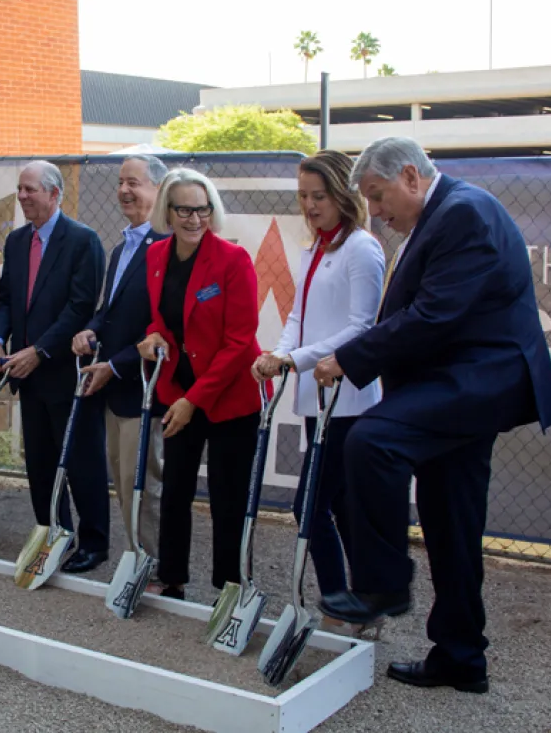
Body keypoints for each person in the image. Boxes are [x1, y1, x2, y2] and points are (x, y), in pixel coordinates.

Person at [313, 137, 551, 693]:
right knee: (451, 521)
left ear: (410, 175)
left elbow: (435, 316)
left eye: (379, 198)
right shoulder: (448, 213)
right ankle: (461, 657)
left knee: (372, 440)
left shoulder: (464, 213)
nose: (376, 212)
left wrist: (351, 357)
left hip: (477, 380)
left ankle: (382, 585)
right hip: (459, 386)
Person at [253, 150, 385, 632]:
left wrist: (295, 359)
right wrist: (280, 353)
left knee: (308, 504)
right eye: (303, 196)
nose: (309, 205)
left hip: (349, 400)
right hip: (317, 398)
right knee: (342, 504)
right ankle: (365, 599)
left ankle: (336, 602)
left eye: (320, 196)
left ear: (343, 194)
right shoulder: (316, 248)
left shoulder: (360, 248)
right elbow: (297, 317)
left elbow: (360, 328)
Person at [136, 168, 265, 600]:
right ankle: (171, 577)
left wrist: (195, 399)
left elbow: (239, 341)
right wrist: (154, 335)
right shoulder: (155, 256)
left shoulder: (233, 259)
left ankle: (231, 588)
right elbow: (161, 316)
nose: (194, 218)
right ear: (167, 212)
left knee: (229, 499)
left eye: (202, 209)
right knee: (175, 489)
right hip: (180, 391)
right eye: (184, 210)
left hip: (230, 397)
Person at [0, 161, 110, 574]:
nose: (21, 196)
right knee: (39, 461)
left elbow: (80, 307)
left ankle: (93, 544)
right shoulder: (17, 242)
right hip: (25, 372)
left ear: (54, 195)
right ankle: (53, 532)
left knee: (81, 462)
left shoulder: (82, 241)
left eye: (30, 189)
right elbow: (4, 299)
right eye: (19, 189)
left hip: (67, 372)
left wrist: (40, 350)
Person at [73, 155, 170, 579]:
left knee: (142, 486)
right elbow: (108, 311)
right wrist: (89, 331)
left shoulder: (166, 248)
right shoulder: (121, 248)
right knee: (123, 480)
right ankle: (135, 561)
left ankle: (154, 571)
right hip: (113, 387)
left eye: (135, 183)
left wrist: (115, 364)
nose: (124, 191)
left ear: (158, 191)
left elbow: (165, 329)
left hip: (146, 388)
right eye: (120, 182)